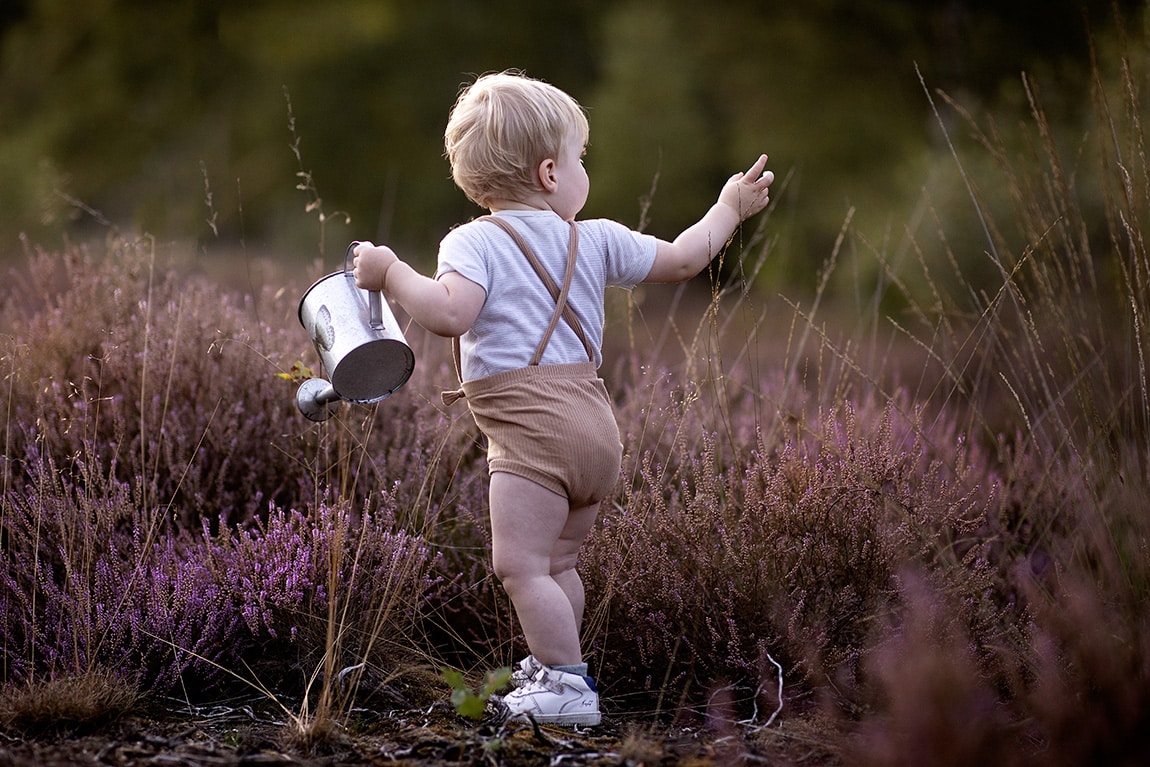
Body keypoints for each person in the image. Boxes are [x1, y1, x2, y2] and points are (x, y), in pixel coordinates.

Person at [352, 70, 773, 726]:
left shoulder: (472, 242)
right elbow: (689, 259)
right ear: (550, 173)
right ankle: (557, 666)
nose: (583, 171)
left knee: (518, 565)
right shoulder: (597, 238)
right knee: (559, 561)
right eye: (581, 158)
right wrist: (728, 207)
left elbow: (449, 313)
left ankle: (565, 685)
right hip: (595, 427)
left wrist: (390, 272)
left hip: (530, 434)